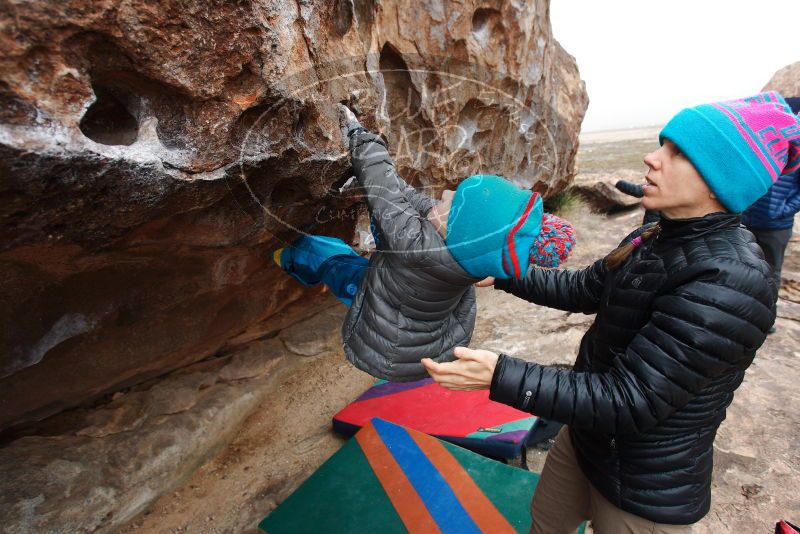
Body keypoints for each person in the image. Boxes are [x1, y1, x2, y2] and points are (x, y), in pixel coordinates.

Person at [423, 91, 800, 533]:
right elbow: (587, 287)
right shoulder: (659, 233)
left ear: (722, 179)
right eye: (662, 144)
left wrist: (499, 375)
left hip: (644, 486)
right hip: (586, 438)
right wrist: (506, 274)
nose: (652, 158)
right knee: (545, 525)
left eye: (678, 153)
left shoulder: (730, 280)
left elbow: (630, 399)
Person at [273, 105, 576, 382]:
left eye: (452, 201)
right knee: (395, 238)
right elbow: (409, 199)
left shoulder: (416, 245)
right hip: (428, 335)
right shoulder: (467, 250)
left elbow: (383, 188)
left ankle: (287, 257)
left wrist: (358, 134)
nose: (445, 193)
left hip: (388, 346)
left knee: (330, 257)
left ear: (456, 229)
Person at [742, 96, 800, 330]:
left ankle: (767, 319)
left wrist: (783, 210)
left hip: (777, 225)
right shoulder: (762, 143)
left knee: (771, 272)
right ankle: (745, 314)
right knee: (745, 269)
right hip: (747, 218)